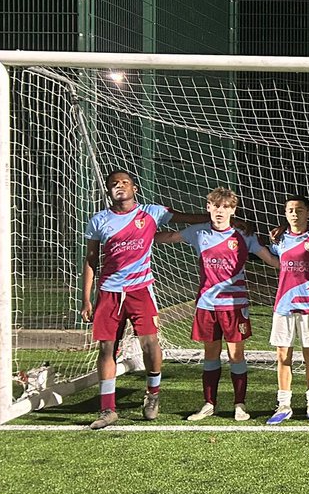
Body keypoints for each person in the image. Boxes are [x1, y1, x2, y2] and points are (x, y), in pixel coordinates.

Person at [80, 169, 212, 430]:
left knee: (150, 344)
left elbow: (188, 218)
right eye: (114, 184)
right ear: (108, 190)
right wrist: (86, 299)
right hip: (109, 292)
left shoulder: (152, 213)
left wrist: (223, 220)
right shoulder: (98, 221)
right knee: (106, 349)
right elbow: (91, 260)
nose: (120, 187)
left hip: (141, 289)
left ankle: (153, 395)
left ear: (134, 189)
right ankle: (108, 409)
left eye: (125, 183)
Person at [155, 187, 279, 422]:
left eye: (226, 207)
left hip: (235, 305)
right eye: (216, 206)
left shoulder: (244, 236)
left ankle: (239, 404)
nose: (220, 211)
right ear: (208, 208)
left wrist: (300, 263)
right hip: (207, 305)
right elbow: (170, 237)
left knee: (235, 355)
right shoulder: (198, 233)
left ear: (233, 210)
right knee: (210, 354)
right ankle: (209, 404)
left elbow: (272, 261)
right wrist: (135, 236)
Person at [265, 195, 309, 425]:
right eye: (290, 210)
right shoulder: (279, 239)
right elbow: (261, 254)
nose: (294, 213)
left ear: (308, 212)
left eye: (299, 209)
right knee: (283, 355)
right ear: (285, 214)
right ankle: (284, 404)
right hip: (283, 305)